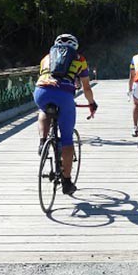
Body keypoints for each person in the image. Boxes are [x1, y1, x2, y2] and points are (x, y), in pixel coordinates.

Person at [34, 34, 97, 195]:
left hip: (41, 92)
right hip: (63, 94)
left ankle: (42, 141)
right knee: (67, 139)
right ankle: (67, 181)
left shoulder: (46, 57)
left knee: (43, 111)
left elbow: (43, 76)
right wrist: (91, 103)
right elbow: (87, 87)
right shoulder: (79, 59)